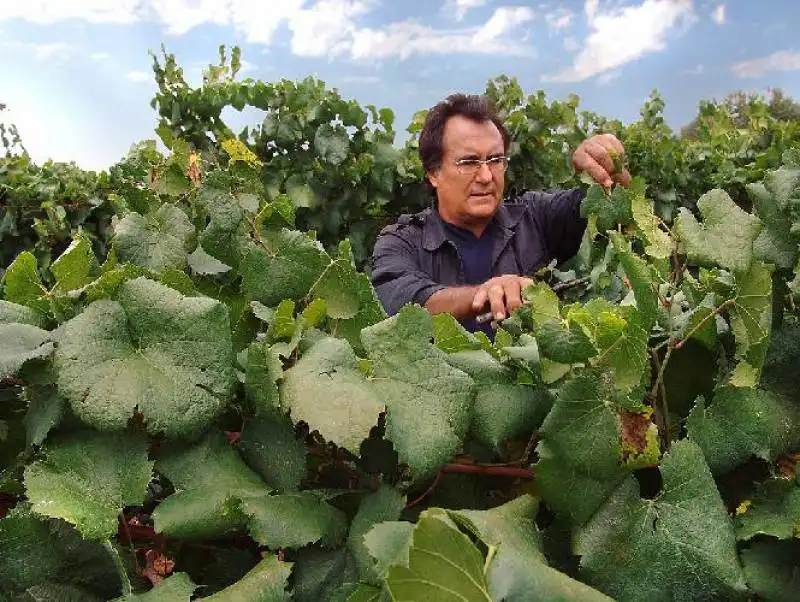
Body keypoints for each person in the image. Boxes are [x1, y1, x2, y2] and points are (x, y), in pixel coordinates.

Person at [369, 93, 631, 336]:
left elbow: (609, 203)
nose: (486, 176)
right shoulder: (402, 240)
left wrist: (608, 166)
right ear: (433, 173)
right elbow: (403, 306)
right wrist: (486, 293)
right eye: (469, 162)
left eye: (495, 160)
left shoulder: (535, 217)